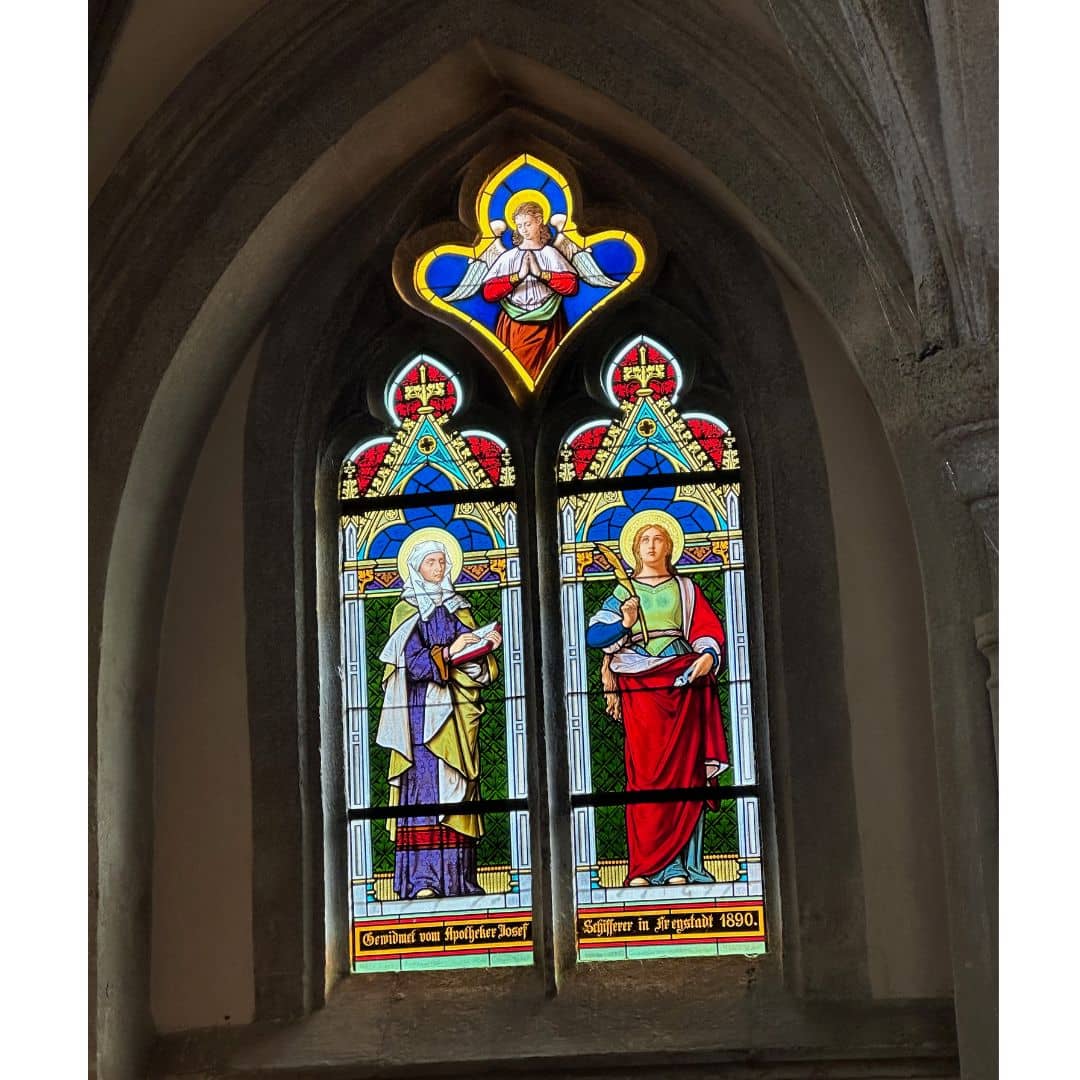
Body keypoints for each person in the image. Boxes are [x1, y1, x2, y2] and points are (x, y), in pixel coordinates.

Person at [586, 519, 729, 886]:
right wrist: (625, 622)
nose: (651, 545)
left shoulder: (686, 588)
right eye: (644, 540)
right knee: (645, 775)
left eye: (659, 539)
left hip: (684, 681)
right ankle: (646, 867)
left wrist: (707, 657)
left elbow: (708, 631)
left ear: (670, 547)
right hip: (641, 685)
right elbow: (594, 635)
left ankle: (681, 865)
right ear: (635, 549)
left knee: (686, 771)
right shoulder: (624, 591)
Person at [376, 536, 502, 899]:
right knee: (426, 792)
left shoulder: (457, 607)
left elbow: (476, 660)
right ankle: (423, 880)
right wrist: (448, 652)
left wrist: (483, 647)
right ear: (416, 567)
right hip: (421, 717)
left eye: (443, 562)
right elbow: (411, 663)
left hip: (458, 715)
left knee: (458, 789)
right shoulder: (406, 610)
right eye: (432, 562)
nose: (439, 568)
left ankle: (458, 879)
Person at [479, 201, 580, 379]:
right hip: (514, 325)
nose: (523, 230)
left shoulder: (551, 253)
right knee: (515, 373)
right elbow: (488, 292)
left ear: (539, 221)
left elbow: (571, 286)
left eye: (527, 224)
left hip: (548, 324)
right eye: (519, 226)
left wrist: (541, 274)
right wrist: (517, 277)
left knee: (552, 372)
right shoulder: (508, 257)